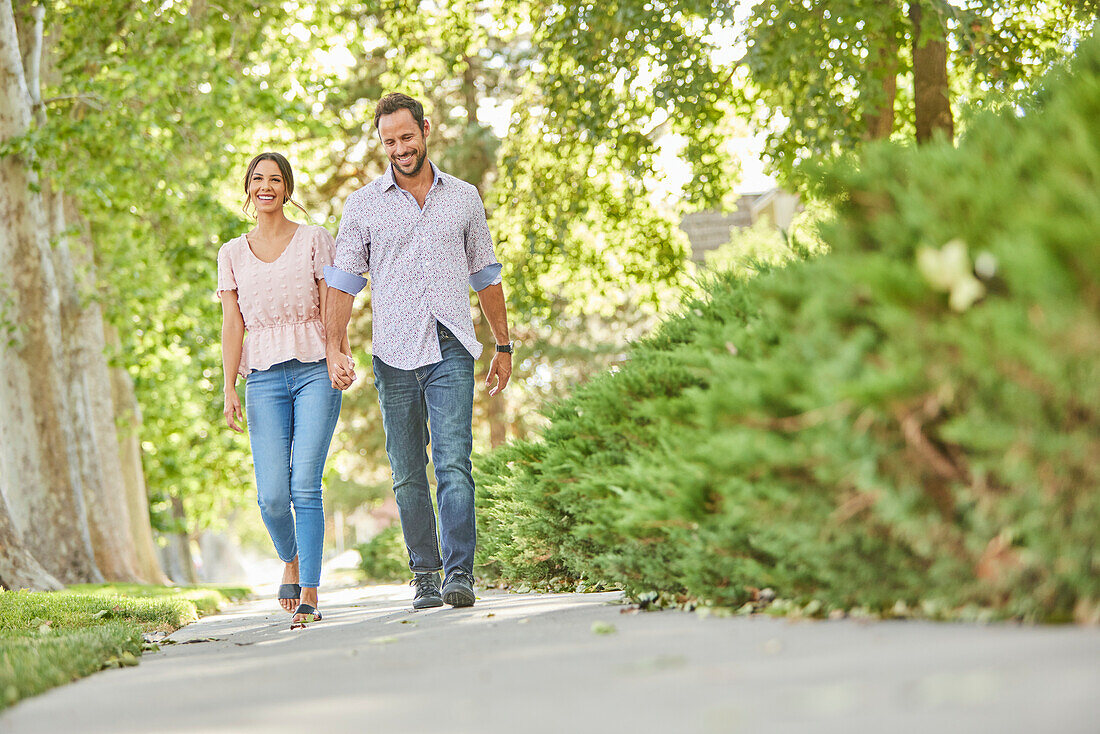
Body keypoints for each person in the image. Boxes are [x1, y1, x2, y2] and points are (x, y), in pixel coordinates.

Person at [323, 92, 512, 610]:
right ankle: (424, 574)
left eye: (407, 137)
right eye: (390, 142)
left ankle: (459, 574)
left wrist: (503, 343)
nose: (400, 149)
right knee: (407, 471)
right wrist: (333, 346)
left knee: (454, 463)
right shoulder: (363, 204)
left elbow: (485, 274)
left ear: (425, 130)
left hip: (451, 341)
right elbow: (341, 282)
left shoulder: (464, 197)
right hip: (393, 348)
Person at [217, 151, 351, 627]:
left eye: (275, 179)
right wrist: (229, 385)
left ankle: (310, 593)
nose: (266, 186)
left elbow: (332, 302)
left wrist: (339, 353)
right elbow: (233, 323)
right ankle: (289, 561)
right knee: (272, 496)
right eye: (258, 179)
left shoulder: (315, 239)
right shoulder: (231, 253)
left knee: (304, 485)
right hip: (263, 378)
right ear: (249, 189)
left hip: (315, 366)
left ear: (288, 189)